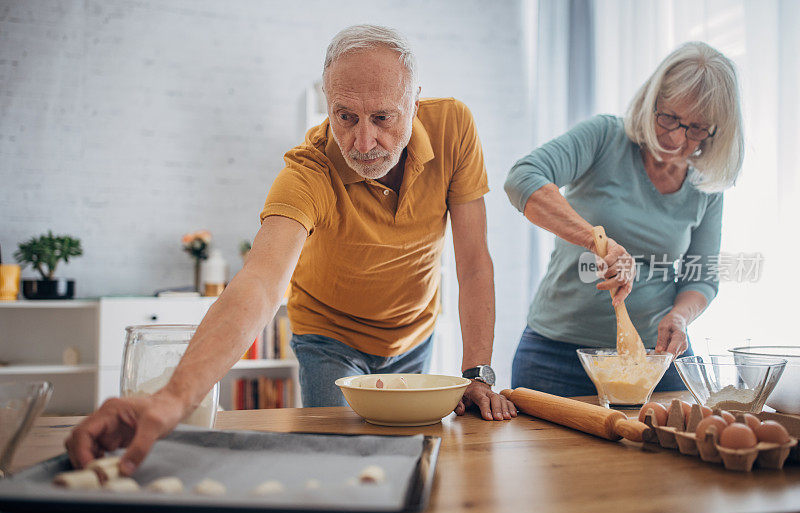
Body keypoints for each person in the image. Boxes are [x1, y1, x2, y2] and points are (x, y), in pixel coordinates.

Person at [66, 24, 516, 475]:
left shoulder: (453, 126)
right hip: (329, 338)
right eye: (345, 116)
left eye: (382, 118)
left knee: (413, 466)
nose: (363, 143)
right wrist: (171, 399)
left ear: (414, 104)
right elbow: (260, 285)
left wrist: (476, 372)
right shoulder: (307, 174)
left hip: (415, 332)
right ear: (327, 101)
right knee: (338, 465)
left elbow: (473, 261)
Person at [504, 42, 744, 396]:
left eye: (696, 129)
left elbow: (702, 277)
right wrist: (596, 241)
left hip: (654, 358)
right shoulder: (605, 137)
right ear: (652, 102)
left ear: (715, 132)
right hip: (555, 354)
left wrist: (679, 317)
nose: (677, 139)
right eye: (670, 118)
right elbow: (523, 178)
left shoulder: (705, 184)